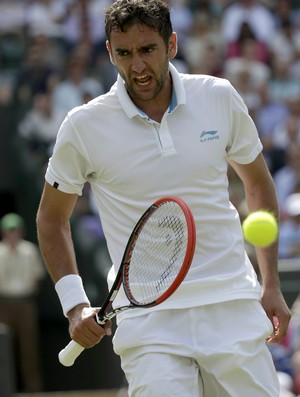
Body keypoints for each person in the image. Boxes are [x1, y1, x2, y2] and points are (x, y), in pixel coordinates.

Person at [36, 1, 291, 396]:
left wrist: (270, 283)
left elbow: (258, 184)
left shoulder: (219, 96)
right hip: (148, 321)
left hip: (231, 303)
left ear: (171, 44)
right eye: (124, 53)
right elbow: (51, 219)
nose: (137, 66)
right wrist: (75, 305)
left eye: (147, 50)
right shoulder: (83, 126)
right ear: (109, 53)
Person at [0, 213, 45, 392]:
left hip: (25, 303)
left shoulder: (30, 251)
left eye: (15, 230)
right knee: (3, 348)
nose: (12, 234)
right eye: (9, 231)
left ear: (21, 231)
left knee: (29, 349)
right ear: (4, 233)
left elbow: (38, 277)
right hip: (3, 304)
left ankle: (33, 390)